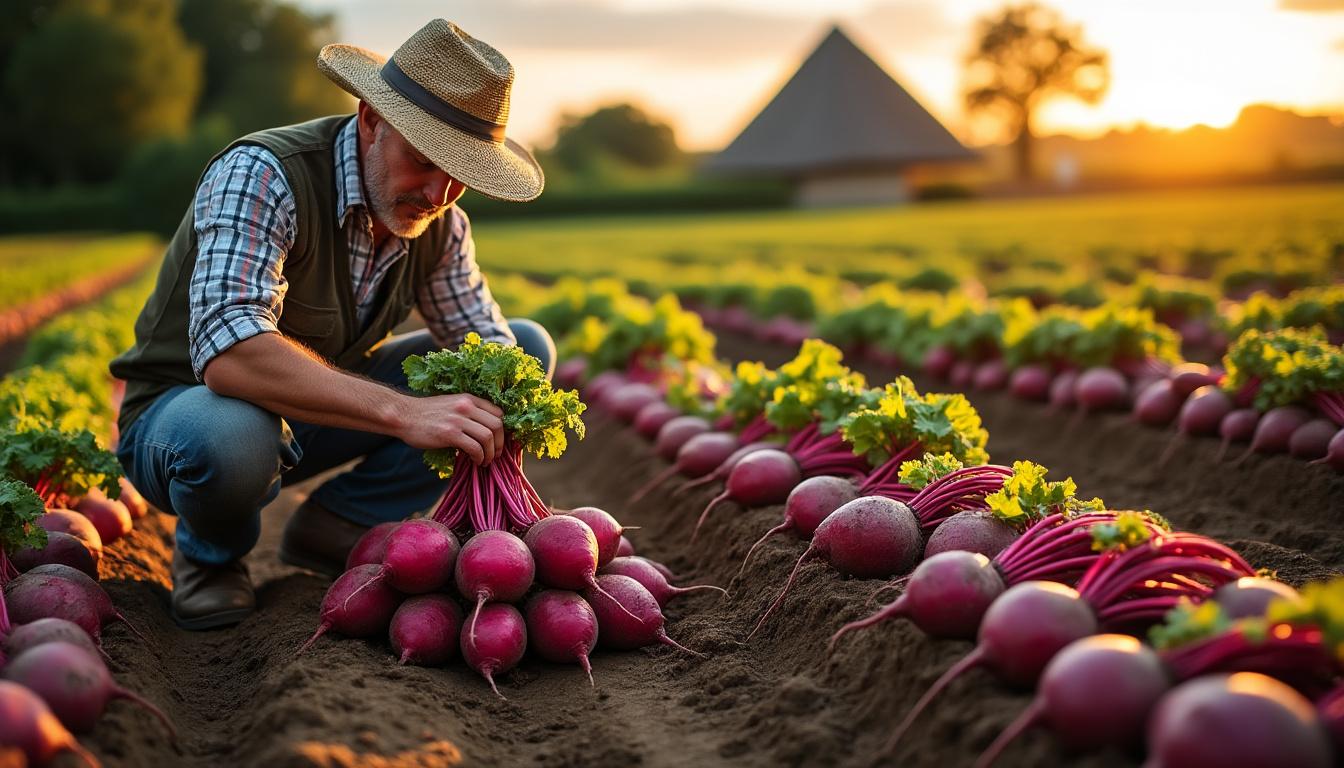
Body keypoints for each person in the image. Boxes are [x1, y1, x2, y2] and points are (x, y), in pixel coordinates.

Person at [108, 19, 554, 631]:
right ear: (370, 119)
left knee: (522, 354)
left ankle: (336, 524)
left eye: (462, 176)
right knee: (234, 434)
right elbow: (230, 352)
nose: (438, 192)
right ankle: (210, 560)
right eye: (424, 161)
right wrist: (407, 413)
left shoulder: (442, 221)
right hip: (186, 418)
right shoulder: (264, 172)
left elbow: (485, 336)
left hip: (316, 413)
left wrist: (510, 494)